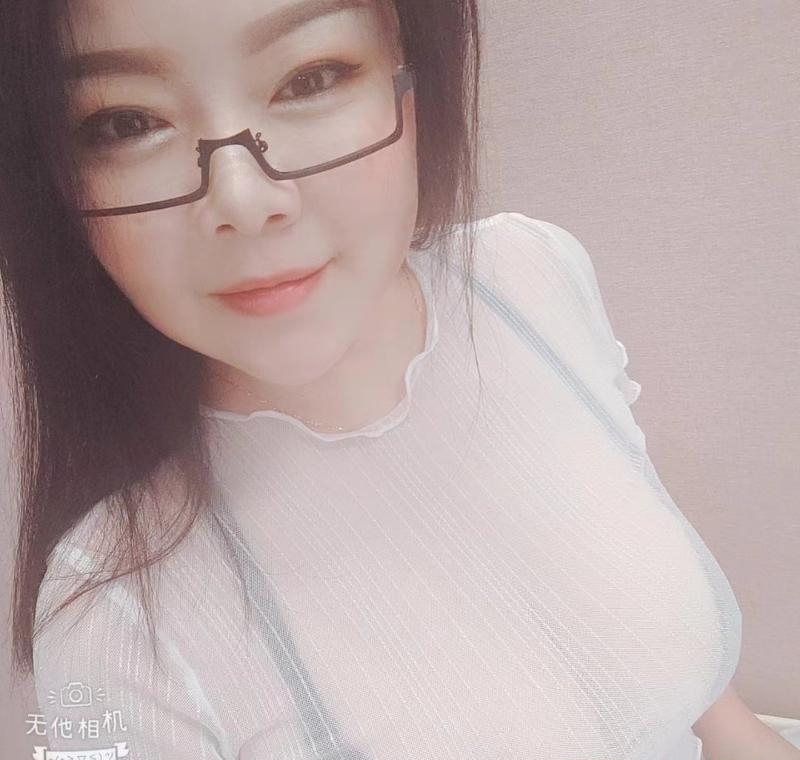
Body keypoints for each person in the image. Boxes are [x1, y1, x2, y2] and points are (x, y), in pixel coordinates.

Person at [2, 1, 796, 758]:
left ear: (413, 76)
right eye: (124, 123)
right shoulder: (105, 624)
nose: (244, 199)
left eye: (309, 77)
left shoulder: (531, 277)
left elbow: (692, 695)